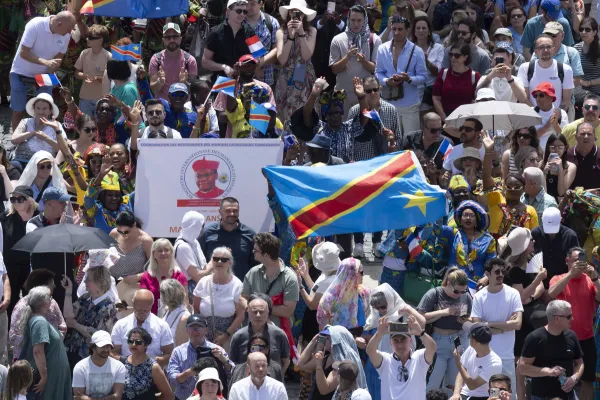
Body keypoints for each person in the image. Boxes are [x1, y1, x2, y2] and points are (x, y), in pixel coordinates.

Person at [499, 227, 548, 399]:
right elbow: (520, 296)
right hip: (520, 321)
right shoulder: (514, 269)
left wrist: (533, 291)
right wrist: (537, 281)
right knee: (519, 364)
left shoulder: (528, 262)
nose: (534, 242)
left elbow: (536, 290)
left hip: (529, 318)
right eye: (531, 240)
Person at [8, 11, 75, 132]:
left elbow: (59, 57)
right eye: (69, 28)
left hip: (44, 74)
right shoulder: (35, 25)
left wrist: (54, 67)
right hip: (20, 72)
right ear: (59, 24)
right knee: (18, 110)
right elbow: (24, 53)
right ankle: (16, 142)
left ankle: (44, 141)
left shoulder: (66, 34)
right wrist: (45, 62)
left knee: (46, 110)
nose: (71, 32)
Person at [548, 246, 600, 400]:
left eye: (582, 260)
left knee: (587, 381)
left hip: (586, 338)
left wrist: (595, 277)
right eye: (576, 260)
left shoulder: (591, 280)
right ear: (567, 261)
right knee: (560, 378)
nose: (579, 263)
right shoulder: (558, 278)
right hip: (562, 338)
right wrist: (571, 274)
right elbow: (551, 293)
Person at [470, 258, 524, 395]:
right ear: (487, 274)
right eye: (497, 272)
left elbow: (517, 324)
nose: (501, 274)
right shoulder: (479, 297)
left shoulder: (513, 294)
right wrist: (504, 327)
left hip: (506, 356)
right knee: (491, 395)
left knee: (508, 395)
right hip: (486, 357)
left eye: (503, 271)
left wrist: (487, 324)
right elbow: (477, 328)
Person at [418, 267, 472, 393]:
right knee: (433, 383)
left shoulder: (466, 296)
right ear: (448, 283)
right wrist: (443, 312)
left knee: (454, 385)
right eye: (456, 291)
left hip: (459, 340)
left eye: (463, 291)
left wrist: (465, 320)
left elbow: (471, 317)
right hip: (438, 340)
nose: (459, 295)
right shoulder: (434, 294)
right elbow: (419, 317)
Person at [518, 300, 583, 400]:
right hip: (542, 396)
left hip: (568, 396)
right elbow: (522, 368)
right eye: (569, 317)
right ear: (557, 319)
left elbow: (580, 363)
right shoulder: (534, 338)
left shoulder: (571, 336)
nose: (572, 319)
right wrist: (548, 371)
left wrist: (574, 378)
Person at [17, 286, 72, 400]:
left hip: (54, 377)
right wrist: (44, 377)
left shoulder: (39, 320)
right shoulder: (39, 322)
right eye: (50, 297)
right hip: (49, 379)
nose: (51, 300)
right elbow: (37, 351)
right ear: (44, 302)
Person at [375, 15, 427, 135]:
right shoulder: (382, 49)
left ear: (407, 31)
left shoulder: (417, 51)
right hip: (387, 103)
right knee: (388, 140)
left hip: (409, 104)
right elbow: (378, 72)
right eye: (394, 29)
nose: (396, 32)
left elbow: (423, 77)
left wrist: (408, 79)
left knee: (411, 140)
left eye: (400, 29)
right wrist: (387, 81)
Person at [61, 262, 117, 369]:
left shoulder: (108, 307)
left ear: (99, 282)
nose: (85, 282)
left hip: (88, 357)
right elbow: (68, 315)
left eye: (88, 279)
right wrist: (68, 291)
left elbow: (99, 335)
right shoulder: (85, 298)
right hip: (71, 350)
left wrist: (76, 325)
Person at [366, 315, 436, 400]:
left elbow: (432, 348)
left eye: (403, 339)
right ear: (391, 343)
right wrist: (379, 334)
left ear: (410, 341)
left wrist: (421, 333)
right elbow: (370, 351)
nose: (399, 344)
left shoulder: (419, 357)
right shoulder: (386, 360)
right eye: (395, 340)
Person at [166, 314, 234, 400]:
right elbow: (172, 379)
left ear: (206, 330)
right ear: (187, 330)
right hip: (184, 397)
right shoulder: (178, 352)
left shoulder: (217, 349)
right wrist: (192, 371)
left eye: (199, 328)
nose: (195, 331)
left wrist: (224, 361)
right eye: (192, 327)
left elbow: (232, 374)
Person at [330, 5, 381, 114]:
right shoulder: (337, 39)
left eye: (359, 20)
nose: (356, 24)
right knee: (342, 127)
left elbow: (376, 69)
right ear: (348, 20)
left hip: (367, 94)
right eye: (353, 20)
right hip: (342, 95)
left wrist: (364, 61)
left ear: (365, 20)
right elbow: (334, 69)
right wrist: (347, 57)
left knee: (366, 127)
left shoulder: (375, 40)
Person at [242, 233, 299, 330]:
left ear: (266, 255)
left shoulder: (289, 278)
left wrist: (260, 308)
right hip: (252, 331)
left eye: (256, 250)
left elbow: (288, 311)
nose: (253, 251)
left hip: (277, 333)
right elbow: (243, 298)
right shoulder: (253, 272)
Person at [193, 246, 246, 348]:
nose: (219, 262)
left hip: (228, 338)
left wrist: (225, 335)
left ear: (230, 263)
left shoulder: (237, 284)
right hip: (203, 338)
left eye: (224, 259)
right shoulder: (203, 282)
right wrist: (201, 332)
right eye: (216, 259)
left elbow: (241, 315)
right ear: (212, 262)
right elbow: (196, 309)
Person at [9, 270, 66, 362]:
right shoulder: (21, 307)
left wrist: (52, 344)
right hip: (27, 362)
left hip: (51, 357)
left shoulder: (53, 303)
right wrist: (38, 345)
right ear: (43, 287)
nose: (54, 286)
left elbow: (62, 327)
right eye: (51, 283)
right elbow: (14, 337)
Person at [275, 0, 318, 122]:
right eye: (293, 12)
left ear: (304, 15)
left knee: (304, 116)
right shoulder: (280, 32)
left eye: (299, 13)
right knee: (284, 116)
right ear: (289, 13)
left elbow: (306, 56)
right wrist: (290, 36)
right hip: (286, 79)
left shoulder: (311, 31)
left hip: (304, 78)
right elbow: (282, 60)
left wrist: (301, 34)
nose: (296, 16)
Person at [1, 185, 38, 322]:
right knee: (11, 301)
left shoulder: (38, 218)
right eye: (13, 199)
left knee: (32, 301)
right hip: (11, 266)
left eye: (20, 199)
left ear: (29, 200)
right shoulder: (6, 217)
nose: (16, 202)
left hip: (32, 266)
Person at [110, 289, 174, 367]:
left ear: (151, 305)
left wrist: (149, 362)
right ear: (133, 304)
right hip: (125, 372)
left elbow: (169, 354)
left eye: (146, 310)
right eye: (139, 310)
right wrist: (127, 361)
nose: (142, 313)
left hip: (152, 373)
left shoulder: (162, 326)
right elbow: (112, 352)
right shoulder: (120, 325)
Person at [229, 293, 291, 371]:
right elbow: (233, 363)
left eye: (261, 312)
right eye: (254, 312)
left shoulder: (279, 334)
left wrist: (278, 376)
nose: (258, 315)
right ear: (248, 311)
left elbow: (286, 361)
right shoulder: (238, 336)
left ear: (268, 312)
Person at [200, 197, 256, 281]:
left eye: (235, 211)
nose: (232, 214)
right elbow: (200, 262)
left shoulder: (250, 234)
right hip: (213, 287)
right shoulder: (207, 233)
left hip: (242, 289)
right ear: (220, 212)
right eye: (228, 211)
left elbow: (256, 265)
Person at [201, 0, 256, 82]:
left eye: (244, 11)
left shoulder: (250, 32)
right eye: (238, 11)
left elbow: (259, 56)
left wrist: (247, 65)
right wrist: (223, 67)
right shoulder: (215, 32)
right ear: (228, 11)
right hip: (222, 81)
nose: (242, 14)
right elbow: (205, 62)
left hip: (244, 81)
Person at [517, 35, 575, 112]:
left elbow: (566, 101)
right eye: (541, 47)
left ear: (554, 50)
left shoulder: (566, 70)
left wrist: (555, 117)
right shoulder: (525, 68)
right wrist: (538, 116)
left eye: (549, 47)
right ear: (535, 51)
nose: (546, 50)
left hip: (557, 117)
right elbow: (525, 98)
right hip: (532, 116)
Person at [11, 94, 67, 169]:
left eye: (44, 109)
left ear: (50, 111)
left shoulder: (56, 125)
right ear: (34, 109)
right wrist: (32, 133)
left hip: (43, 165)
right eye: (38, 108)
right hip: (22, 160)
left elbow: (63, 149)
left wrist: (46, 138)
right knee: (12, 168)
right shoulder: (26, 122)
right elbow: (13, 140)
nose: (41, 112)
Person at [450, 322, 503, 400]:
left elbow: (472, 385)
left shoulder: (495, 363)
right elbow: (463, 371)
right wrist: (456, 393)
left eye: (469, 336)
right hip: (465, 393)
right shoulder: (471, 349)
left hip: (484, 397)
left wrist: (458, 364)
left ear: (474, 341)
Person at [148, 22, 198, 100]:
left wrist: (184, 83)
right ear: (163, 40)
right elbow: (153, 89)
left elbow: (194, 90)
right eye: (168, 37)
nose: (171, 40)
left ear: (180, 39)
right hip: (163, 107)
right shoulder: (156, 59)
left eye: (175, 36)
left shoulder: (190, 60)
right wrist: (160, 82)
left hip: (183, 107)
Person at [433, 43, 480, 123]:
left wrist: (467, 121)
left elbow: (475, 101)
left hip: (467, 120)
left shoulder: (475, 76)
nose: (453, 58)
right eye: (451, 55)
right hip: (446, 118)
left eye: (457, 55)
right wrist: (444, 118)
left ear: (465, 57)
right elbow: (436, 98)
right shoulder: (443, 73)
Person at [83, 156, 132, 234]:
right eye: (110, 195)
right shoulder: (96, 210)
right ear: (103, 196)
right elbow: (88, 197)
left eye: (117, 195)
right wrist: (101, 175)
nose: (114, 198)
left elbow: (141, 192)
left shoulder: (126, 206)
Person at [71, 331, 126, 400]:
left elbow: (117, 397)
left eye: (108, 346)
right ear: (93, 347)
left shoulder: (119, 367)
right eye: (102, 346)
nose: (106, 350)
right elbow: (78, 397)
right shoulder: (80, 367)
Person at [122, 327, 174, 400]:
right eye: (131, 341)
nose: (133, 344)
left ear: (146, 344)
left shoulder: (153, 367)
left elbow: (169, 396)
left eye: (138, 342)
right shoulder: (122, 362)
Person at [532, 207, 580, 286]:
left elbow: (578, 260)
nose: (551, 233)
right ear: (542, 220)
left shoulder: (570, 236)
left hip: (563, 284)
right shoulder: (535, 233)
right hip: (539, 283)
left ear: (561, 219)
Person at [140, 239, 188, 315]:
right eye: (159, 250)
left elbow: (185, 302)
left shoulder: (179, 276)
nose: (163, 253)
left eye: (166, 250)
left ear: (171, 252)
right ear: (154, 254)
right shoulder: (146, 277)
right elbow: (143, 302)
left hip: (174, 320)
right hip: (152, 320)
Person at [74, 24, 111, 119]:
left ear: (100, 40)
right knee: (84, 126)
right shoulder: (84, 53)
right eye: (87, 37)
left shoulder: (108, 56)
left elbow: (111, 79)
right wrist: (87, 76)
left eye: (91, 38)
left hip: (101, 99)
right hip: (84, 97)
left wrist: (95, 78)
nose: (87, 39)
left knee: (99, 127)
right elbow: (76, 73)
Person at [243, 0, 279, 88]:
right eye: (246, 3)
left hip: (265, 78)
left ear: (261, 4)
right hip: (242, 78)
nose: (248, 7)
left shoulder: (272, 22)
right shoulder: (238, 21)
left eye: (252, 4)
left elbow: (277, 49)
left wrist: (258, 64)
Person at [109, 211, 152, 283]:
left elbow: (154, 267)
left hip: (134, 285)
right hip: (112, 283)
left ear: (134, 225)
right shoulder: (114, 234)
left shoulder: (145, 240)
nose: (123, 235)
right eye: (119, 231)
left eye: (126, 232)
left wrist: (138, 277)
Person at [411, 16, 444, 111]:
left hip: (430, 92)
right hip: (413, 92)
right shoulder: (408, 48)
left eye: (424, 28)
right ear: (414, 31)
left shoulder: (438, 48)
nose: (421, 30)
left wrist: (426, 61)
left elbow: (437, 72)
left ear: (429, 30)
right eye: (418, 28)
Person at [297, 242, 340, 311]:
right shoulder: (330, 272)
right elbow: (316, 289)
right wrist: (306, 275)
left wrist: (300, 286)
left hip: (316, 319)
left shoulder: (329, 281)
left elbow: (312, 305)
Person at [531, 82, 569, 153]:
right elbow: (530, 137)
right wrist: (547, 126)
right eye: (536, 96)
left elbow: (564, 137)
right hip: (535, 155)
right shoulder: (531, 112)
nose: (538, 99)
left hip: (555, 154)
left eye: (541, 95)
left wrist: (556, 124)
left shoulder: (561, 113)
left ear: (551, 97)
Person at [565, 121, 600, 189]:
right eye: (582, 134)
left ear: (594, 137)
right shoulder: (567, 155)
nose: (586, 137)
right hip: (572, 198)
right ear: (575, 137)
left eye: (589, 134)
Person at [541, 134, 576, 199]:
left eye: (560, 147)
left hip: (559, 203)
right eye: (553, 147)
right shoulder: (541, 164)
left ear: (565, 148)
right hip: (544, 200)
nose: (556, 150)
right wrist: (544, 172)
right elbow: (539, 189)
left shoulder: (570, 167)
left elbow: (561, 192)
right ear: (548, 148)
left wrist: (560, 169)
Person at [160, 279, 191, 347]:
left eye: (163, 293)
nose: (161, 296)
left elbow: (181, 349)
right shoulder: (167, 310)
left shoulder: (184, 318)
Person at [575, 17, 600, 99]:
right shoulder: (576, 48)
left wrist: (589, 83)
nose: (583, 32)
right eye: (581, 29)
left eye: (587, 30)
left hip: (597, 94)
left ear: (595, 32)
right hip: (580, 93)